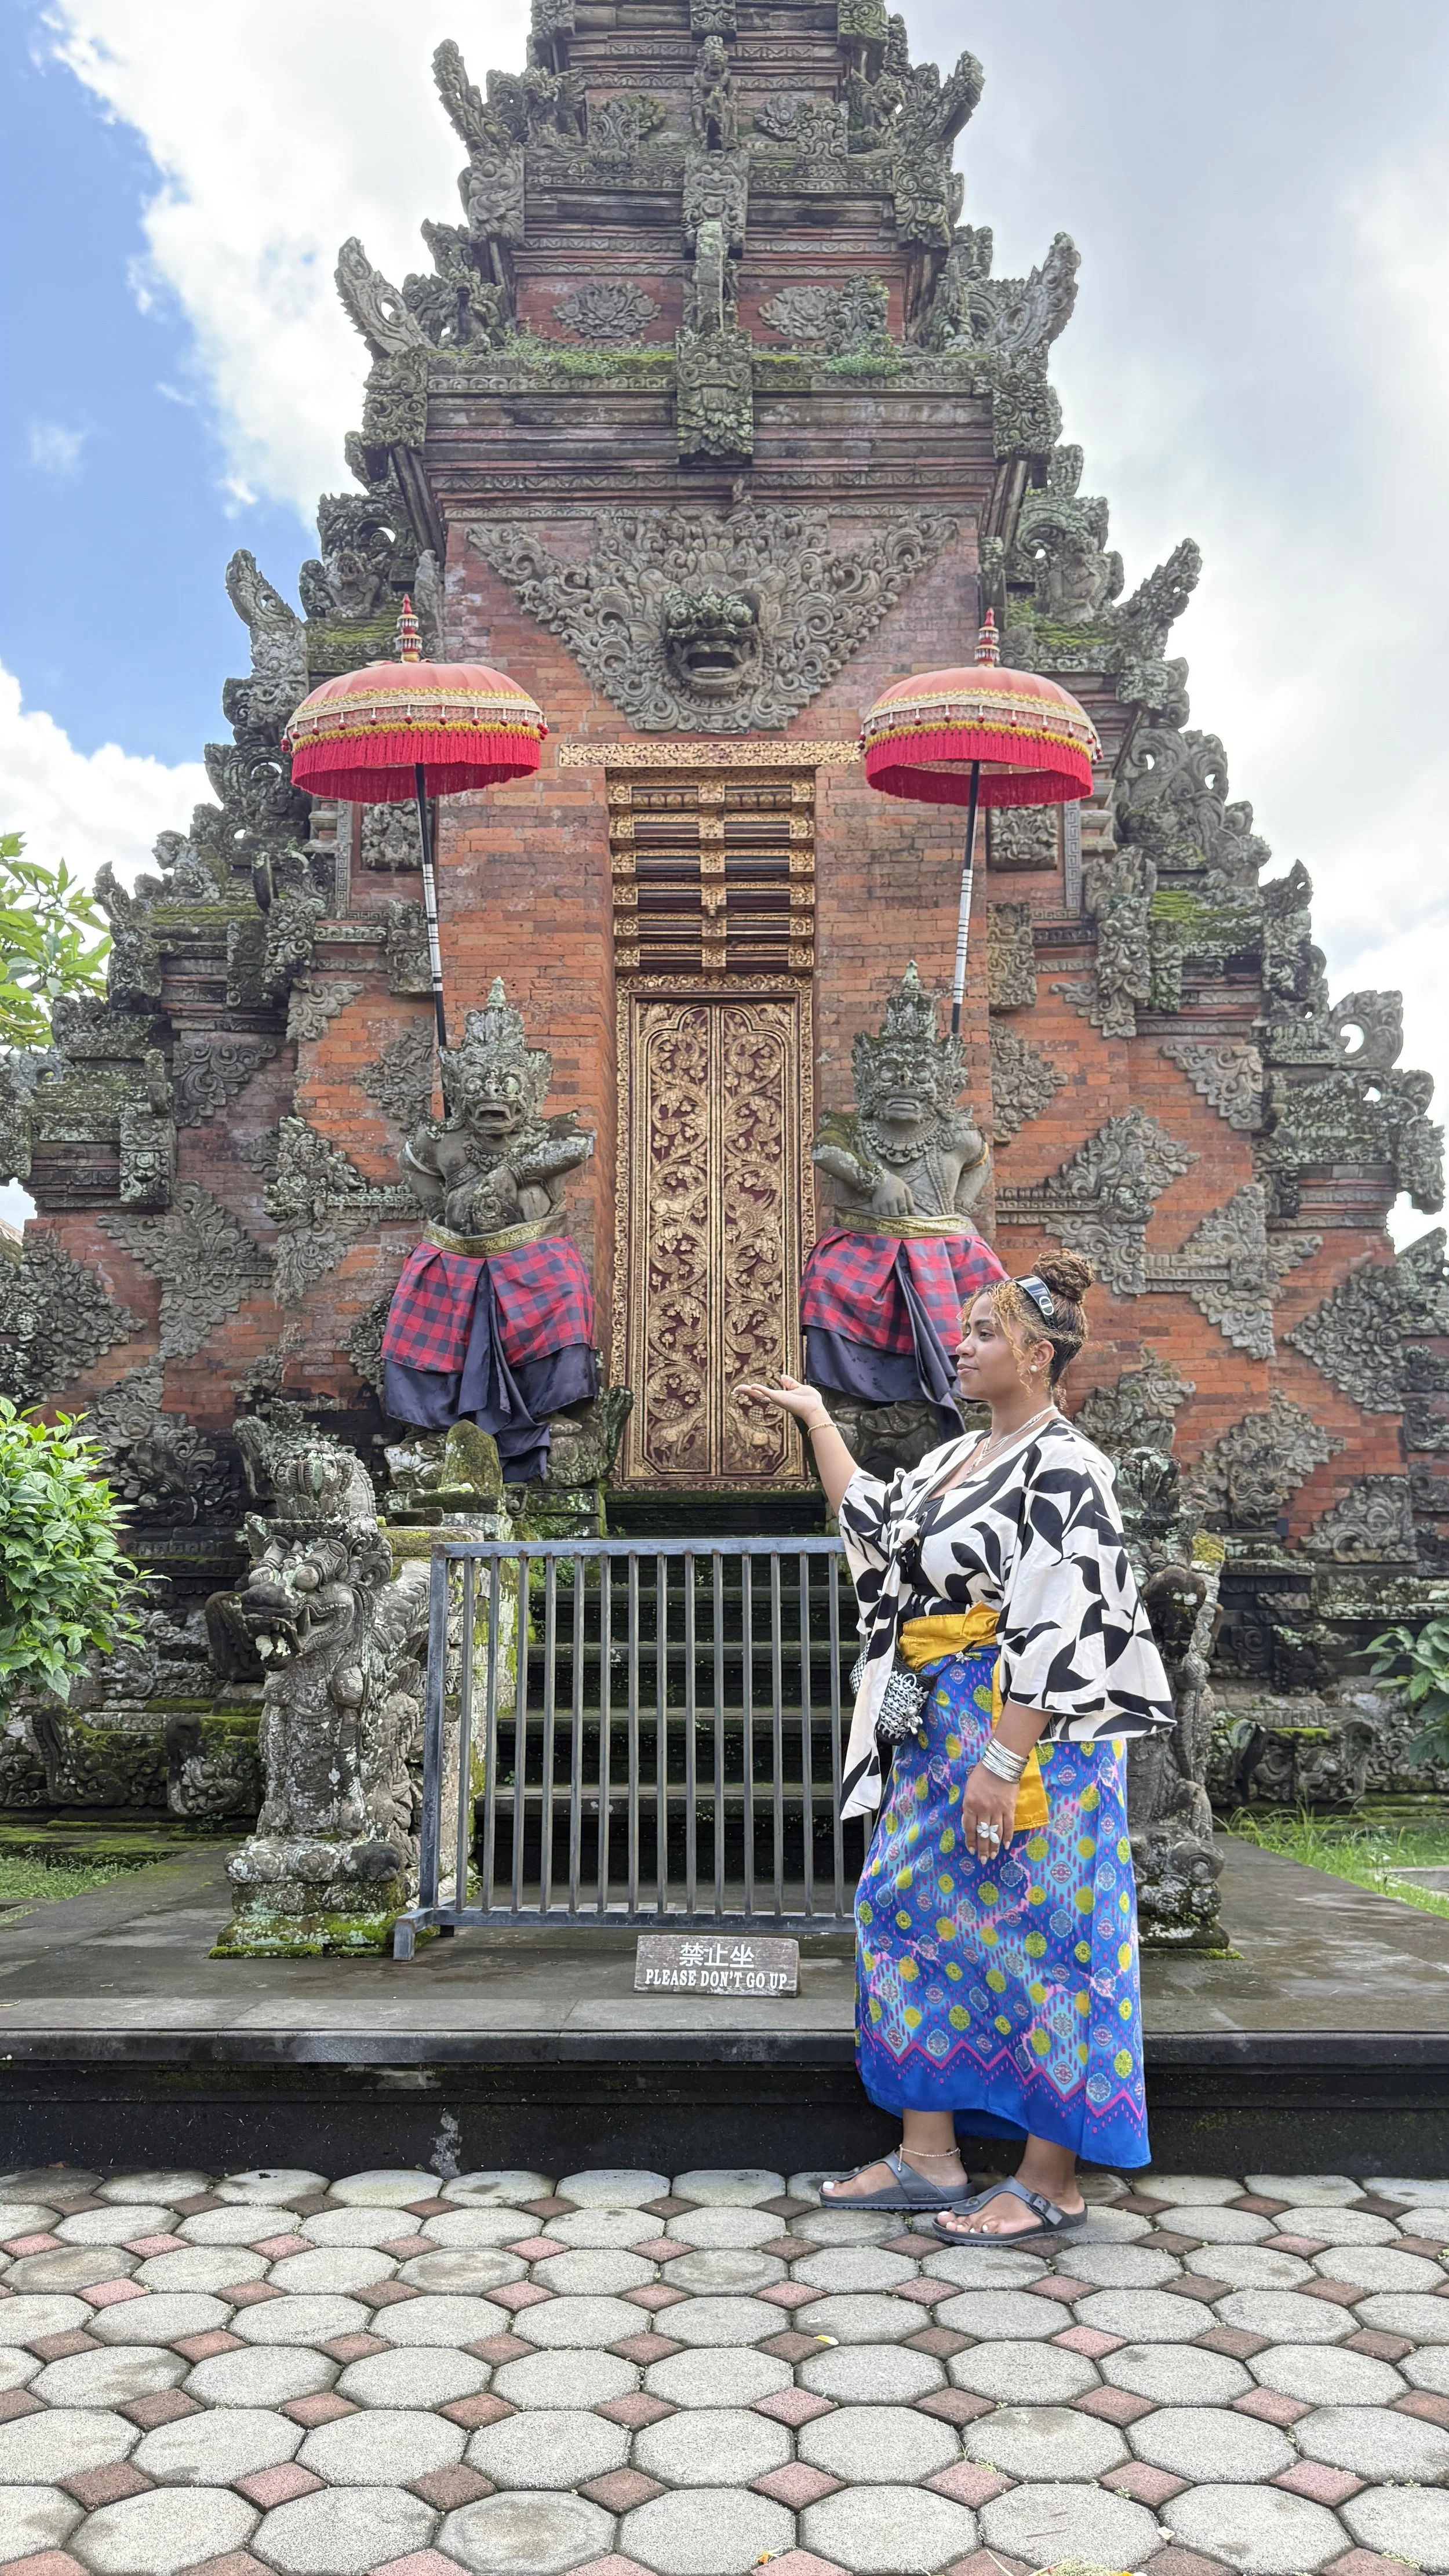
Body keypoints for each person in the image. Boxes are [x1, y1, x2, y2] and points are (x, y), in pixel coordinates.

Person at [740, 1252, 1175, 2242]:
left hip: (1033, 1739)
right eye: (966, 1331)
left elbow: (1065, 1618)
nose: (960, 1346)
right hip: (938, 1730)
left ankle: (1050, 2178)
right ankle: (929, 2156)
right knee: (904, 1911)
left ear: (1039, 1354)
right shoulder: (951, 1459)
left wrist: (1006, 1757)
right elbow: (874, 1523)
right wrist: (816, 1417)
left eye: (982, 1334)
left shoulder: (1068, 1465)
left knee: (1048, 1936)